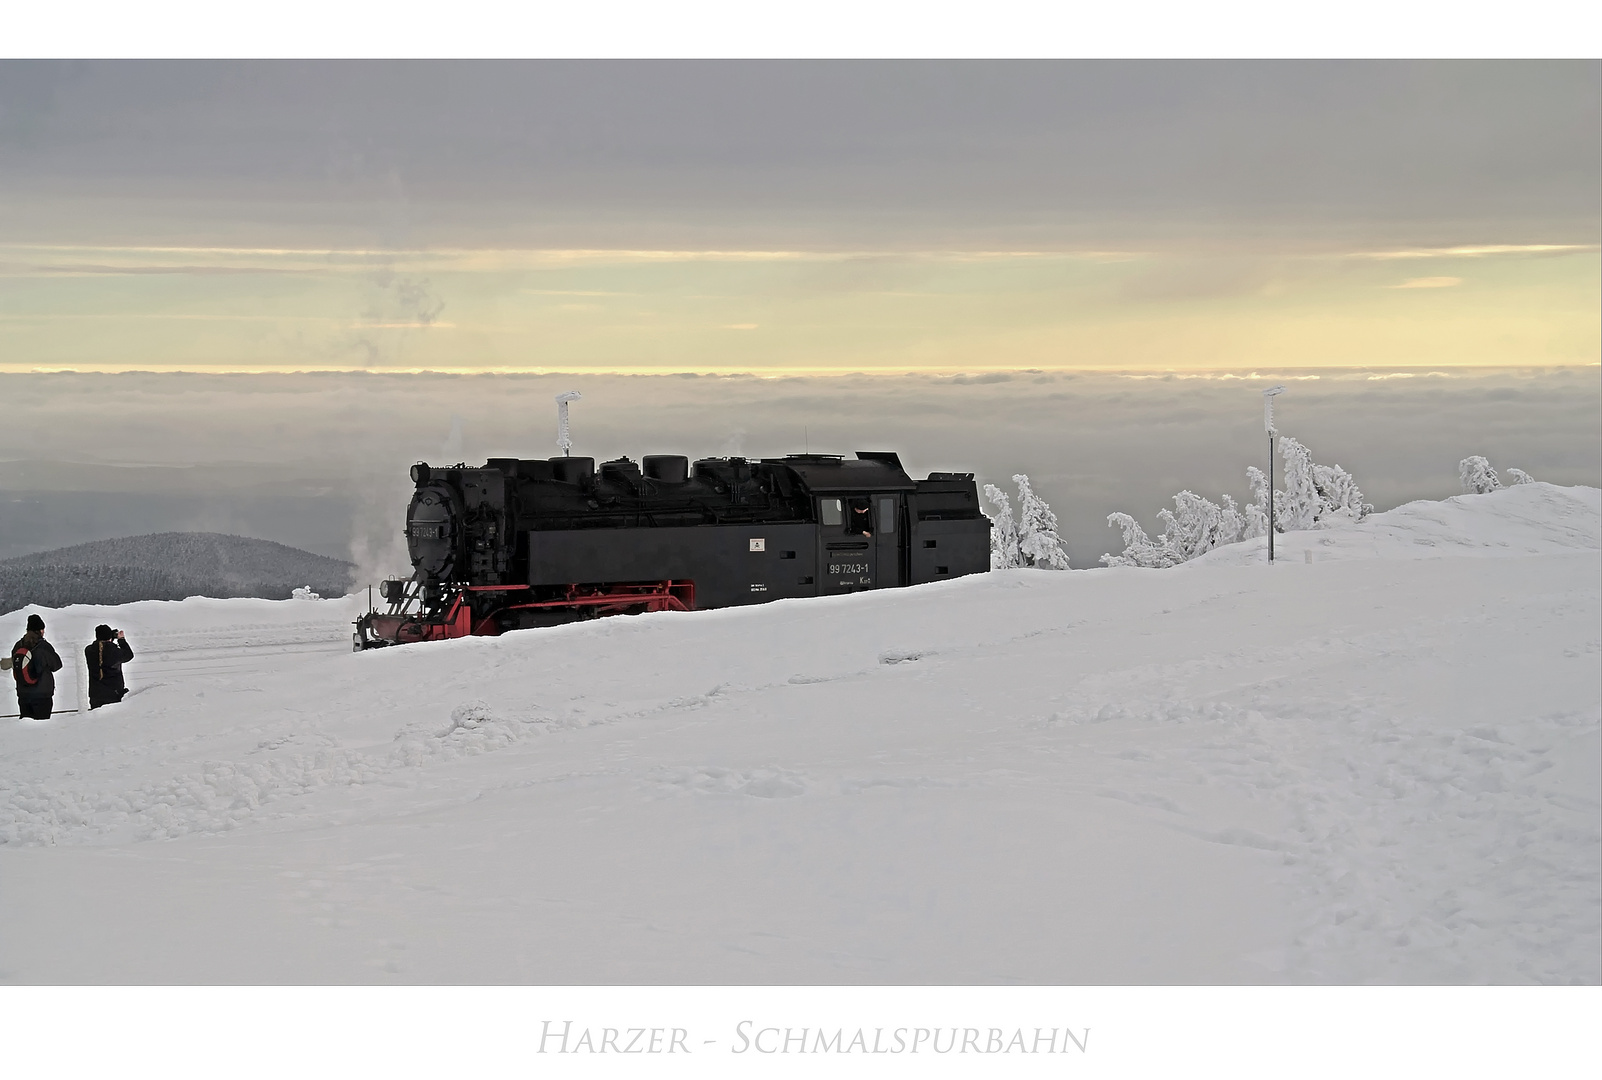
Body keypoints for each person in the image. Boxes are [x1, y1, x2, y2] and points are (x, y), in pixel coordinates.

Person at [11, 613, 63, 720]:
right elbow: (57, 665)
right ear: (39, 631)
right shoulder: (43, 647)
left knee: (26, 727)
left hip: (23, 694)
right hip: (42, 695)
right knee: (41, 728)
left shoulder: (18, 645)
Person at [86, 624, 134, 710]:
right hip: (113, 693)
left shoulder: (89, 650)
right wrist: (121, 640)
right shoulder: (113, 651)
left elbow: (100, 647)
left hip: (96, 694)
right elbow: (129, 655)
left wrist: (108, 638)